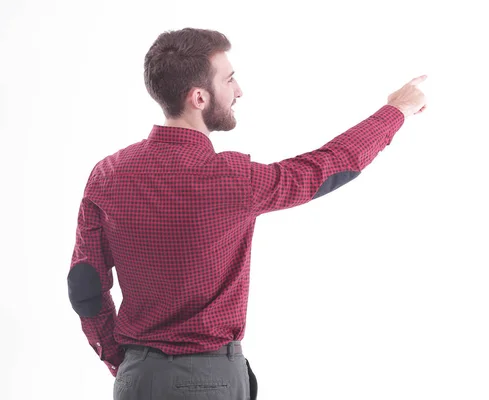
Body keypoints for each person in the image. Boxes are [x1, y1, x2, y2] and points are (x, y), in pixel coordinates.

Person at [66, 27, 427, 400]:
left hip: (137, 378)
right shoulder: (233, 179)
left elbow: (85, 285)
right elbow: (329, 166)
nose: (239, 90)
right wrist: (395, 110)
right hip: (209, 377)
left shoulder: (107, 174)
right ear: (199, 97)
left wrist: (123, 361)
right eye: (230, 79)